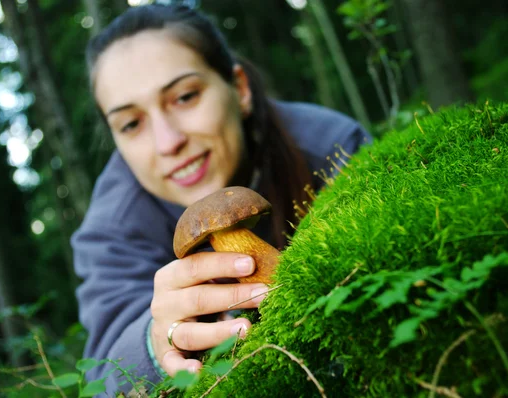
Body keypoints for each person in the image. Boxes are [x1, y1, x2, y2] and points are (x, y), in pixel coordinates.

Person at [72, 3, 372, 396]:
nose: (168, 142)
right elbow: (101, 375)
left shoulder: (328, 148)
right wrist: (152, 341)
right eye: (131, 123)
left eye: (184, 97)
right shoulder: (111, 228)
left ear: (240, 89)